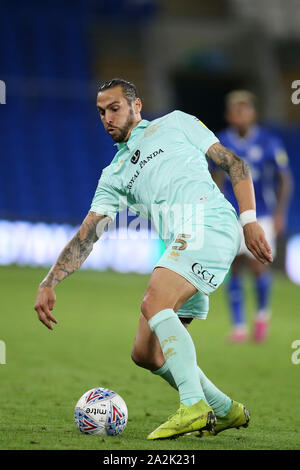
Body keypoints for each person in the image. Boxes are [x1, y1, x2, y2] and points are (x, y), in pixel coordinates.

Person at [34, 79, 273, 440]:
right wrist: (50, 281)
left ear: (137, 106)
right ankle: (226, 410)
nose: (106, 118)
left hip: (211, 222)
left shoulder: (176, 122)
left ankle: (193, 406)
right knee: (145, 353)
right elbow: (87, 236)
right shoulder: (113, 175)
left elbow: (233, 162)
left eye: (114, 108)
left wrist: (250, 220)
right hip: (182, 242)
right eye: (101, 112)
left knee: (154, 301)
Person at [212, 90, 292, 343]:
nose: (240, 115)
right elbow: (215, 178)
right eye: (235, 110)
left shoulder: (269, 141)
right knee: (234, 266)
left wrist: (280, 213)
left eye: (244, 109)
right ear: (228, 115)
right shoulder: (222, 141)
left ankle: (261, 315)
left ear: (253, 113)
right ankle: (238, 327)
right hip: (231, 214)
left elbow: (284, 179)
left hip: (262, 214)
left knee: (258, 266)